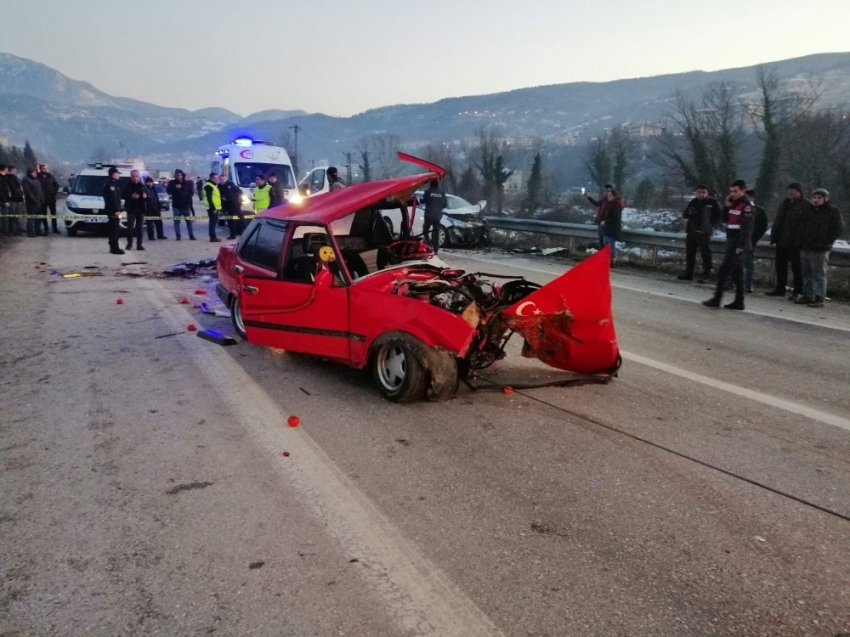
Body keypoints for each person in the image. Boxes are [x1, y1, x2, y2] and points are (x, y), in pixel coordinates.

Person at [703, 180, 753, 310]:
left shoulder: (746, 205)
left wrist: (740, 246)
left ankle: (717, 298)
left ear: (743, 191)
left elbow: (746, 228)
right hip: (731, 241)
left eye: (735, 191)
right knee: (737, 274)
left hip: (738, 243)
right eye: (731, 191)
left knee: (724, 271)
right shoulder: (734, 204)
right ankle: (739, 301)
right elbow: (725, 219)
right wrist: (726, 206)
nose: (732, 194)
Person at [795, 188, 844, 308]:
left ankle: (819, 297)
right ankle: (807, 294)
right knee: (806, 273)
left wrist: (825, 241)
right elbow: (800, 227)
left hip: (821, 248)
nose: (816, 200)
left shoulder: (832, 212)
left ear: (825, 199)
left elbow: (838, 229)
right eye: (815, 198)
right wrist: (800, 241)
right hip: (806, 246)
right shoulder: (808, 211)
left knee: (819, 274)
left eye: (819, 198)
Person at [766, 181, 808, 300]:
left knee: (797, 267)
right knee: (780, 265)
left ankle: (798, 290)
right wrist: (774, 236)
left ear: (799, 192)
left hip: (796, 242)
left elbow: (805, 224)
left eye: (792, 190)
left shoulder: (805, 205)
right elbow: (779, 220)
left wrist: (800, 239)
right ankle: (780, 288)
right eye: (788, 190)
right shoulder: (784, 203)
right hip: (781, 240)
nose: (789, 192)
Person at [678, 185, 721, 281]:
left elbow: (718, 215)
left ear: (707, 193)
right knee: (690, 254)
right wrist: (689, 212)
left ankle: (706, 275)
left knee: (706, 255)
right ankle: (688, 274)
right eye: (699, 192)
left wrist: (710, 225)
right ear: (696, 193)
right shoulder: (693, 202)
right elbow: (684, 215)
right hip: (692, 232)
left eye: (703, 192)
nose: (701, 194)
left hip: (704, 233)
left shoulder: (712, 202)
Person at [743, 189, 769, 293]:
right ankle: (732, 282)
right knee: (736, 262)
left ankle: (749, 284)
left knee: (749, 263)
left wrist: (755, 238)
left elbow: (763, 227)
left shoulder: (760, 211)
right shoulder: (740, 208)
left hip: (750, 240)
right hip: (740, 239)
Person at [166, 169, 196, 240]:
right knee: (177, 222)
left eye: (180, 175)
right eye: (177, 175)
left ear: (183, 176)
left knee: (188, 222)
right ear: (175, 176)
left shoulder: (187, 183)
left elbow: (191, 192)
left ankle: (191, 235)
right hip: (176, 206)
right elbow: (168, 191)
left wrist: (188, 200)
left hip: (185, 206)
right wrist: (175, 188)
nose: (179, 176)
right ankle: (178, 236)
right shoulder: (172, 183)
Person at [121, 169, 147, 250]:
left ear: (139, 177)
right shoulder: (127, 185)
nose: (135, 178)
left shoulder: (142, 186)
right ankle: (129, 244)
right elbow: (122, 195)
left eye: (136, 176)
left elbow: (150, 197)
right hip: (131, 209)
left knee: (140, 228)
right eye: (133, 176)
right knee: (130, 227)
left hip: (140, 209)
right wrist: (131, 196)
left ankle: (139, 244)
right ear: (131, 177)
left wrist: (146, 196)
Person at [102, 167, 124, 255]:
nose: (118, 175)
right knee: (114, 229)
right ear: (113, 174)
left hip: (112, 210)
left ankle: (114, 247)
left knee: (114, 228)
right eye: (117, 173)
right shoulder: (111, 185)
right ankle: (115, 248)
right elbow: (113, 198)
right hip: (113, 211)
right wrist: (116, 210)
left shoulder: (113, 184)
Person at [422, 179, 447, 253]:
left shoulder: (427, 192)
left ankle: (429, 246)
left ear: (431, 184)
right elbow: (445, 204)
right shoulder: (442, 193)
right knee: (436, 233)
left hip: (429, 215)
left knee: (425, 231)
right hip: (438, 216)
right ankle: (436, 251)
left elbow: (423, 201)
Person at [599, 189, 623, 265]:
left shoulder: (616, 205)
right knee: (606, 244)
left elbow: (614, 218)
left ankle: (612, 259)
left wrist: (605, 221)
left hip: (612, 229)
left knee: (610, 245)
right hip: (607, 228)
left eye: (610, 195)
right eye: (608, 195)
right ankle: (607, 259)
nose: (608, 197)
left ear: (614, 196)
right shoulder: (609, 204)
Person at [586, 184, 613, 249]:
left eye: (608, 191)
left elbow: (613, 215)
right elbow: (596, 204)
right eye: (605, 191)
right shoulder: (604, 200)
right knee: (601, 241)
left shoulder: (612, 202)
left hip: (606, 225)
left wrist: (606, 221)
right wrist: (588, 197)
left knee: (605, 242)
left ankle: (607, 256)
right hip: (600, 223)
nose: (606, 193)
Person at [218, 174, 243, 240]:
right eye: (221, 179)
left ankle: (239, 232)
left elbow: (240, 192)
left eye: (223, 179)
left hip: (235, 204)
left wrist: (235, 198)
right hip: (227, 206)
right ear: (219, 180)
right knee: (230, 220)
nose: (222, 181)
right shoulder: (219, 186)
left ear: (226, 179)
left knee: (240, 219)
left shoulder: (231, 185)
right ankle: (233, 234)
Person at [22, 167, 45, 238]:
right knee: (31, 217)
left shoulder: (36, 180)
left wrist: (42, 198)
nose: (35, 174)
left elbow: (40, 191)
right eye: (33, 172)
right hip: (31, 202)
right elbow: (28, 192)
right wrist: (34, 199)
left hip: (39, 202)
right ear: (30, 173)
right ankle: (31, 232)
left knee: (38, 217)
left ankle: (38, 230)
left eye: (35, 172)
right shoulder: (26, 180)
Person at [143, 176, 166, 241]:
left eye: (151, 182)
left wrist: (159, 206)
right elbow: (145, 198)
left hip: (156, 208)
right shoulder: (144, 189)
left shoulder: (153, 188)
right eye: (148, 182)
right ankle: (151, 237)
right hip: (148, 209)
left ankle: (160, 235)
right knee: (150, 224)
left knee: (159, 223)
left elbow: (156, 197)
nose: (150, 183)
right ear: (146, 183)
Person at [6, 166, 25, 235]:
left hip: (17, 198)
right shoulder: (7, 178)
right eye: (14, 170)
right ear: (10, 170)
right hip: (12, 199)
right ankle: (13, 229)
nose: (15, 172)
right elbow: (11, 189)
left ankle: (18, 227)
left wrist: (21, 198)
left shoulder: (15, 178)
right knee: (13, 215)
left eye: (16, 170)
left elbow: (18, 188)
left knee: (17, 214)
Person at [203, 173, 222, 242]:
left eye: (217, 178)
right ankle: (213, 237)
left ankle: (213, 236)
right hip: (212, 208)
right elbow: (209, 198)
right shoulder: (209, 186)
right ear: (211, 178)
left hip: (215, 208)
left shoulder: (213, 185)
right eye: (215, 178)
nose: (217, 179)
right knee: (212, 223)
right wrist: (213, 208)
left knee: (214, 223)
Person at [0, 164, 11, 236]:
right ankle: (4, 231)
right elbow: (0, 191)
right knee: (4, 217)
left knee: (6, 217)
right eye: (7, 169)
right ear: (3, 169)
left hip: (6, 199)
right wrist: (5, 201)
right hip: (2, 201)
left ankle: (6, 230)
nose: (8, 170)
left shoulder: (5, 177)